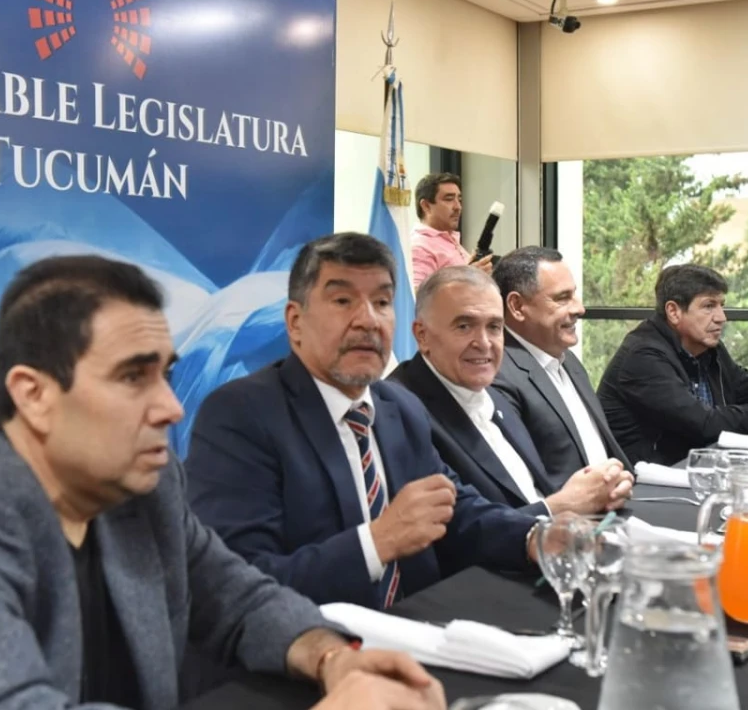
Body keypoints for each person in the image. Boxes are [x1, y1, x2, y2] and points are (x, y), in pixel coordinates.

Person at [0, 255, 444, 710]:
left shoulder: (136, 483)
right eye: (134, 377)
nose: (171, 407)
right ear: (34, 395)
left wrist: (333, 660)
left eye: (165, 373)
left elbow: (239, 599)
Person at [187, 233, 542, 611]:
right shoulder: (240, 415)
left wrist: (539, 537)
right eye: (343, 301)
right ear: (294, 322)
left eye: (383, 302)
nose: (368, 321)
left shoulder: (400, 407)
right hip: (316, 650)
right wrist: (377, 543)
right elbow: (237, 585)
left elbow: (456, 511)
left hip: (427, 632)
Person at [390, 267, 633, 513]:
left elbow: (532, 492)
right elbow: (457, 533)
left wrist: (600, 491)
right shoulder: (398, 409)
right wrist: (562, 507)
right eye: (464, 326)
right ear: (422, 335)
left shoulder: (491, 394)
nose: (484, 343)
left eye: (494, 327)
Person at [597, 263, 748, 465]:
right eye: (709, 306)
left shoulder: (707, 347)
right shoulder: (643, 357)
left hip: (698, 467)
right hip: (647, 485)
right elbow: (703, 423)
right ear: (673, 312)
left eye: (721, 305)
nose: (722, 317)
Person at [490, 247, 633, 487]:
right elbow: (522, 485)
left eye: (574, 295)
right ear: (516, 306)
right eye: (562, 298)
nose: (580, 309)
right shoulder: (498, 373)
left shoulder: (569, 361)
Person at [410, 173, 493, 288]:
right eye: (449, 199)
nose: (458, 207)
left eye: (459, 199)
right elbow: (416, 297)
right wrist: (468, 277)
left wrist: (476, 271)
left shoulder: (449, 239)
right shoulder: (420, 246)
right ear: (426, 206)